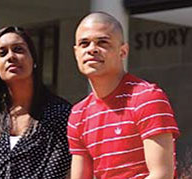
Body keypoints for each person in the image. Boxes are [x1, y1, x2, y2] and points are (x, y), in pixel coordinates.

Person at [67, 12, 180, 179]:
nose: (92, 49)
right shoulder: (78, 114)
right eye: (84, 44)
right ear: (76, 52)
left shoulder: (147, 98)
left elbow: (162, 174)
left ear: (123, 51)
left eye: (102, 42)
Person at [0, 26, 71, 179]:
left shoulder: (61, 114)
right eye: (2, 53)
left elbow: (53, 175)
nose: (10, 56)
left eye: (18, 49)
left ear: (34, 60)